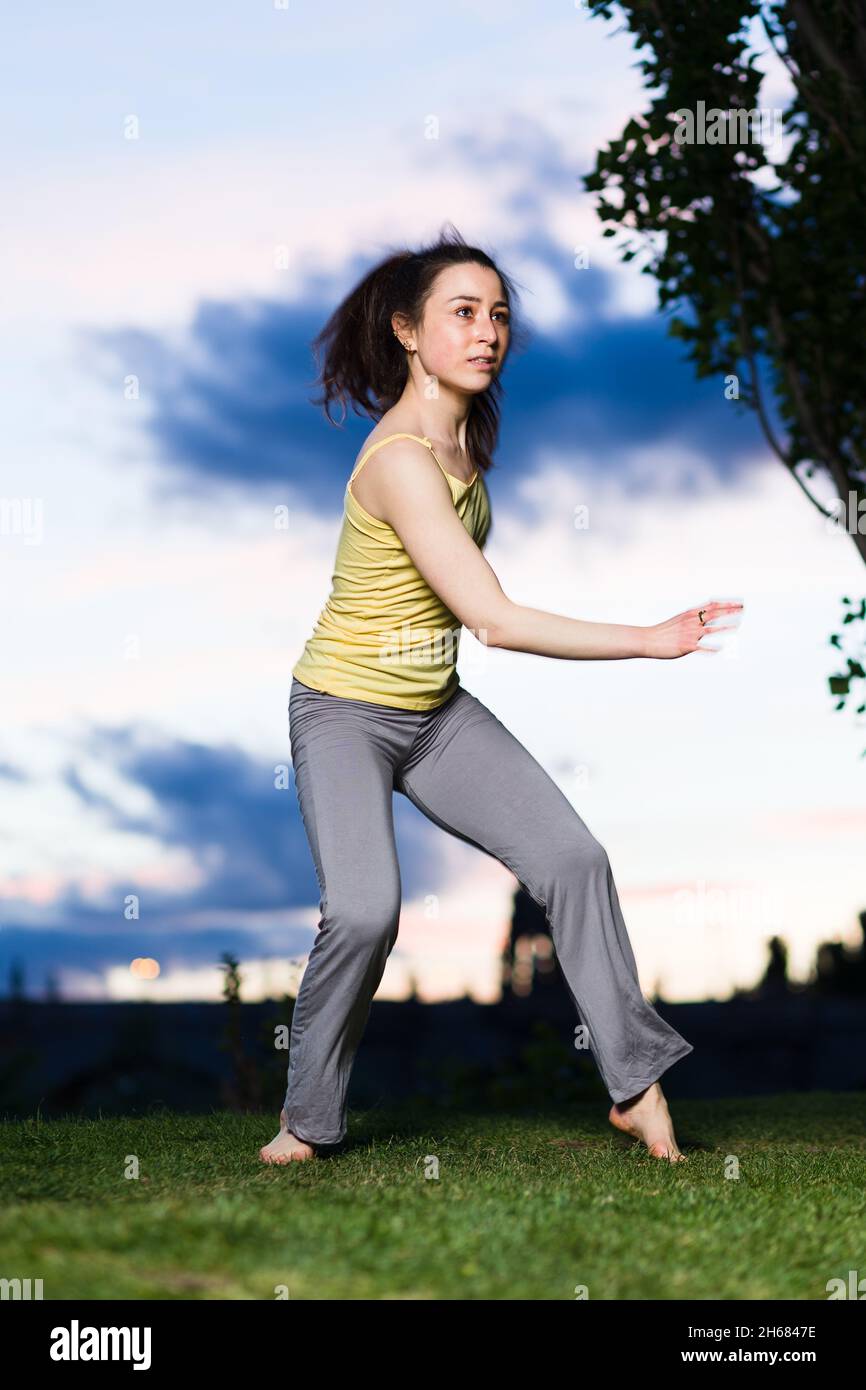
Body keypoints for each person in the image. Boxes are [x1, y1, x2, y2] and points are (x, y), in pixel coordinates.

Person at [260, 226, 742, 1167]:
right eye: (463, 314)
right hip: (343, 712)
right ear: (407, 331)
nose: (487, 333)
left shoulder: (464, 432)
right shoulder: (401, 459)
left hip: (435, 713)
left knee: (574, 857)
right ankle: (305, 1122)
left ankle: (635, 1087)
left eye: (499, 316)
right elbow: (494, 619)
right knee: (364, 911)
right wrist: (648, 639)